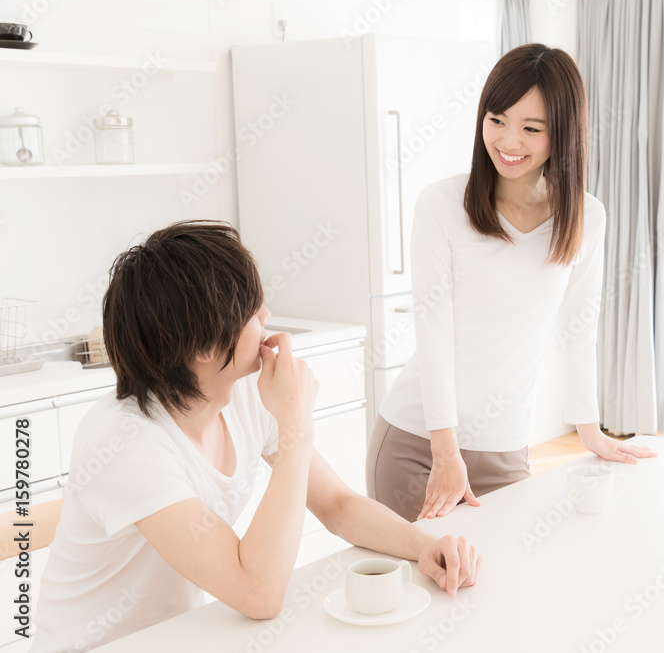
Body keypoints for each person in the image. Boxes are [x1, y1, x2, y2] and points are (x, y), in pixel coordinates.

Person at [31, 221, 481, 652]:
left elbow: (338, 506)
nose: (266, 316)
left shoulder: (242, 392)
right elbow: (258, 593)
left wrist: (424, 547)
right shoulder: (127, 442)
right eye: (251, 310)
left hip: (184, 636)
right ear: (205, 348)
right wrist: (295, 428)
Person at [366, 43, 656, 523]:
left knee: (505, 590)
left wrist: (591, 431)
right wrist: (445, 452)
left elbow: (579, 328)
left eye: (531, 128)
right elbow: (434, 334)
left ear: (562, 134)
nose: (508, 141)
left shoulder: (586, 217)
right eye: (496, 120)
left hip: (505, 450)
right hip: (419, 444)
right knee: (423, 592)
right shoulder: (441, 205)